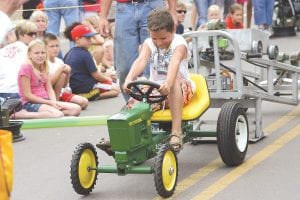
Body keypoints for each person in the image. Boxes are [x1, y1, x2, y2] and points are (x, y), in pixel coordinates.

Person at [123, 9, 195, 152]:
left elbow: (174, 63)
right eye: (155, 38)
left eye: (163, 38)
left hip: (181, 87)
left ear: (173, 30)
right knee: (134, 101)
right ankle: (124, 137)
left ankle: (176, 132)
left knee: (173, 81)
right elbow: (141, 60)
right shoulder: (149, 43)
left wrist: (167, 83)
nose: (159, 42)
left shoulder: (179, 44)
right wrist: (129, 79)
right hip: (155, 89)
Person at [98, 0, 177, 101]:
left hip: (152, 5)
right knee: (124, 68)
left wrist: (173, 10)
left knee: (155, 64)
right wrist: (103, 16)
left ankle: (157, 103)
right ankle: (133, 104)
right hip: (124, 7)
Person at [18, 39, 81, 118]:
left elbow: (49, 88)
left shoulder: (43, 67)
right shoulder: (26, 68)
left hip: (45, 101)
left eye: (43, 53)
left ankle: (50, 113)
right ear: (29, 55)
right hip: (30, 103)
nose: (40, 55)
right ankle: (22, 114)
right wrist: (49, 103)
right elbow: (28, 95)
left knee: (76, 109)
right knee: (58, 114)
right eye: (36, 53)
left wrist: (54, 102)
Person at [64, 23, 120, 101]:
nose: (90, 40)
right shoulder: (85, 54)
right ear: (77, 39)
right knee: (116, 89)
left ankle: (85, 95)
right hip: (88, 87)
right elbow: (96, 75)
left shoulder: (68, 53)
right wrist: (107, 79)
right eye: (87, 38)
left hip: (74, 88)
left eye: (90, 38)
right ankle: (92, 96)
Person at [44, 33, 89, 109]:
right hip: (49, 94)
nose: (55, 48)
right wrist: (60, 70)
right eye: (52, 46)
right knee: (62, 75)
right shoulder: (44, 63)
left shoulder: (59, 61)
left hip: (61, 92)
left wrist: (68, 72)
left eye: (57, 46)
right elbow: (48, 84)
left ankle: (62, 104)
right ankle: (56, 102)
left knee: (84, 102)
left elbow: (65, 85)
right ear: (45, 48)